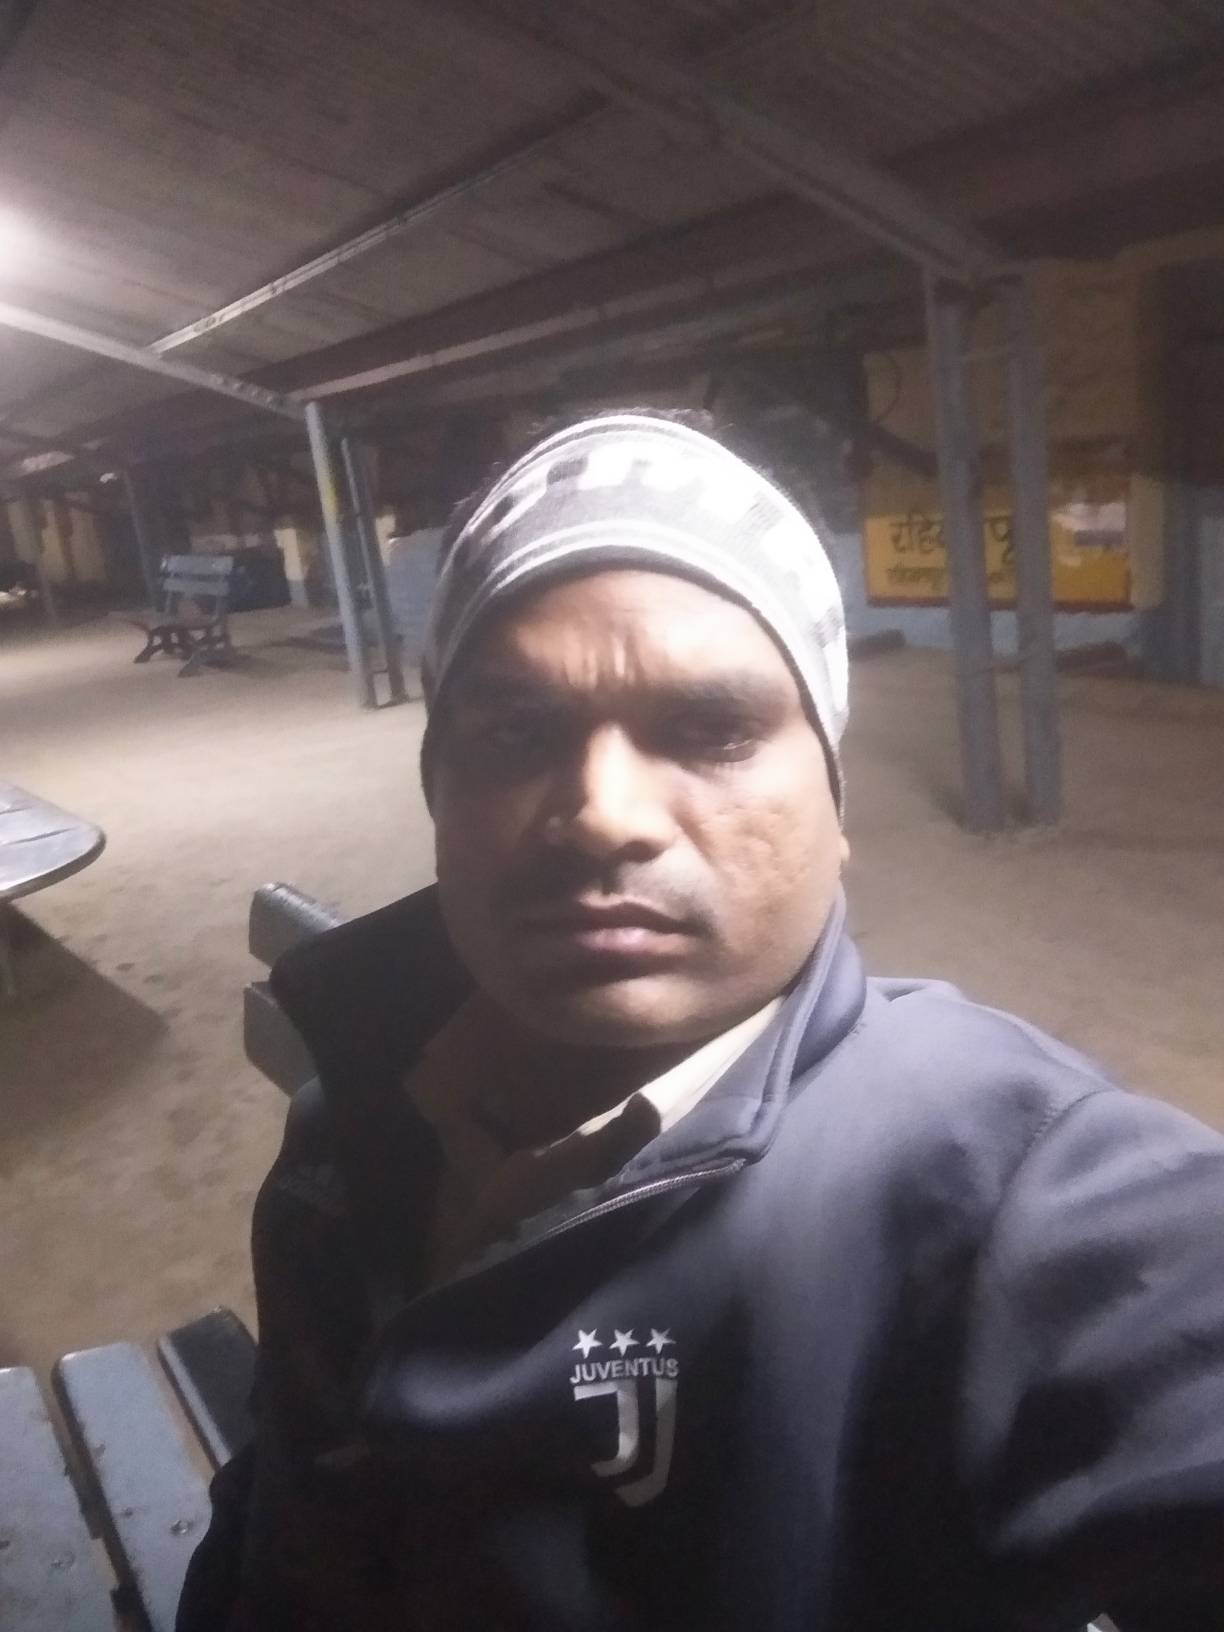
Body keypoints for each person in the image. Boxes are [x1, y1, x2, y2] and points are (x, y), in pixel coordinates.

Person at [179, 410, 1224, 1632]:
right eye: (515, 734)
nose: (605, 813)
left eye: (713, 730)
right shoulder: (356, 1117)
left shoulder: (1010, 1185)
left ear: (834, 808)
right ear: (439, 800)